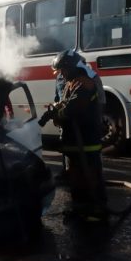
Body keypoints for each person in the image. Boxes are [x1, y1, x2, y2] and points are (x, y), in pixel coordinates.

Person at [40, 49, 107, 223]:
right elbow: (65, 103)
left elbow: (71, 110)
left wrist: (56, 115)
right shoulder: (74, 81)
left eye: (62, 69)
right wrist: (54, 108)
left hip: (85, 142)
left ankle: (96, 212)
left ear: (70, 67)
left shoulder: (84, 83)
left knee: (89, 177)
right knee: (77, 179)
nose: (60, 74)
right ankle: (80, 210)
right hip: (76, 143)